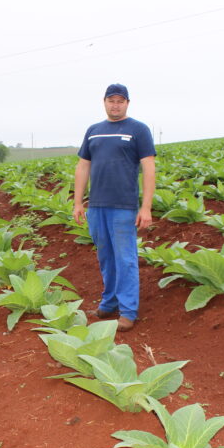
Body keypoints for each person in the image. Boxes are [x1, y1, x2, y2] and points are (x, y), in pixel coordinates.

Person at [73, 83, 156, 332]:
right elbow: (83, 166)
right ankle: (109, 303)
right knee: (105, 257)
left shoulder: (138, 130)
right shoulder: (93, 131)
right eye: (112, 100)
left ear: (127, 103)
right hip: (97, 206)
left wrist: (146, 207)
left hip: (123, 206)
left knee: (126, 259)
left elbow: (148, 167)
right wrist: (78, 202)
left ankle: (128, 311)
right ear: (104, 102)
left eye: (120, 101)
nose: (115, 104)